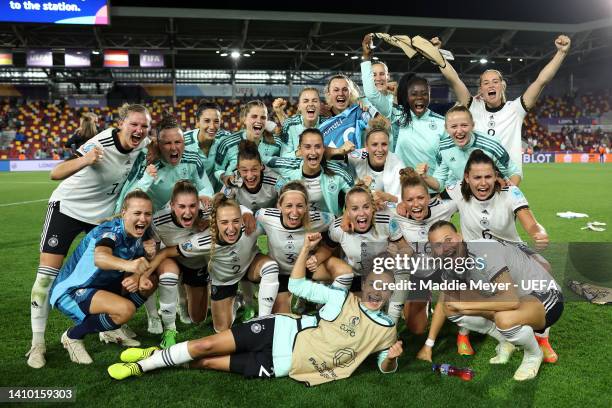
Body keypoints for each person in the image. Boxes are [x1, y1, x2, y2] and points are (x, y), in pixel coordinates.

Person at [107, 233, 403, 385]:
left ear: (389, 292)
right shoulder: (342, 297)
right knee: (207, 344)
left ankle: (156, 357)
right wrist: (304, 250)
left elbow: (385, 369)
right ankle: (140, 366)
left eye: (384, 287)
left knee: (208, 362)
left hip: (285, 366)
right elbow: (298, 285)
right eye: (374, 284)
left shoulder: (387, 331)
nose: (378, 291)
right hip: (280, 330)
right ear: (365, 285)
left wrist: (390, 359)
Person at [27, 103, 151, 369]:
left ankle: (109, 327)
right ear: (121, 124)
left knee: (110, 272)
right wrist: (86, 159)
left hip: (101, 216)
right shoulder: (101, 142)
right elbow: (55, 173)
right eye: (134, 124)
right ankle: (38, 343)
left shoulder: (144, 143)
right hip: (68, 209)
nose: (139, 130)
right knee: (46, 276)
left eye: (144, 126)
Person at [445, 149, 556, 361]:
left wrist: (538, 233)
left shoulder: (510, 192)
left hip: (512, 253)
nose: (483, 183)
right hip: (476, 260)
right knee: (455, 289)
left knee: (543, 267)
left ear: (496, 176)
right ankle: (466, 334)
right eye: (477, 177)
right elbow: (429, 202)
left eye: (488, 176)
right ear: (467, 178)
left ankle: (541, 336)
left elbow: (529, 221)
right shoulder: (457, 191)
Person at [417, 221, 563, 381]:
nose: (445, 247)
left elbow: (511, 300)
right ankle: (506, 341)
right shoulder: (449, 263)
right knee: (450, 305)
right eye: (438, 245)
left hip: (545, 296)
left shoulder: (484, 251)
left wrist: (469, 306)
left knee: (504, 319)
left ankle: (533, 355)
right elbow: (446, 303)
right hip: (514, 298)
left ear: (459, 236)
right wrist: (429, 344)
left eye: (448, 239)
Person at [49, 191, 157, 364]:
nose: (143, 219)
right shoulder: (110, 231)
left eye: (147, 214)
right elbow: (101, 258)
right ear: (124, 213)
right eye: (137, 213)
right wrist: (131, 266)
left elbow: (137, 263)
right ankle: (72, 336)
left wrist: (138, 275)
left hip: (102, 287)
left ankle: (110, 328)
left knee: (152, 280)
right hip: (71, 291)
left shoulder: (140, 232)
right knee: (125, 310)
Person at [434, 35, 571, 172]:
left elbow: (541, 81)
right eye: (486, 83)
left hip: (508, 182)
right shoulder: (472, 106)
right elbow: (454, 79)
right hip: (477, 181)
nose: (491, 86)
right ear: (481, 90)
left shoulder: (516, 109)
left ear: (502, 86)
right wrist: (437, 55)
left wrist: (561, 53)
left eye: (495, 82)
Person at [146, 193, 279, 333]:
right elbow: (166, 252)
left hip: (250, 268)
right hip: (223, 281)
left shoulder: (250, 226)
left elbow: (273, 220)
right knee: (216, 328)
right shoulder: (202, 241)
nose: (231, 228)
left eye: (235, 221)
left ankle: (264, 321)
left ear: (241, 219)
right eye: (224, 222)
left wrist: (247, 211)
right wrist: (145, 274)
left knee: (270, 267)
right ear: (215, 223)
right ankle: (236, 302)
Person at [387, 168, 457, 330]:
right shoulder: (393, 212)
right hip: (417, 276)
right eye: (410, 200)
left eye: (421, 198)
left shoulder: (444, 207)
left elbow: (467, 192)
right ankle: (418, 301)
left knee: (461, 302)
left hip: (443, 270)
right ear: (402, 202)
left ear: (428, 197)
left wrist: (500, 183)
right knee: (416, 328)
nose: (416, 204)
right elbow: (366, 203)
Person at [311, 183, 408, 295]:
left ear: (373, 207)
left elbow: (404, 247)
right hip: (353, 277)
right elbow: (328, 247)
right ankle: (322, 293)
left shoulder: (387, 221)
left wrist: (399, 254)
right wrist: (316, 259)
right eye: (355, 209)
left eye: (366, 207)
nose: (362, 213)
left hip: (381, 277)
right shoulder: (338, 228)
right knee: (356, 310)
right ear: (347, 212)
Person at [255, 181, 334, 312]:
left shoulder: (320, 219)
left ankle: (330, 296)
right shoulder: (265, 216)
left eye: (300, 206)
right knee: (282, 317)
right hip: (280, 273)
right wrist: (246, 213)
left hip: (307, 269)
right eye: (289, 206)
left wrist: (320, 255)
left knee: (340, 269)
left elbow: (338, 225)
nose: (294, 212)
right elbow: (248, 220)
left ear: (307, 206)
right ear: (279, 205)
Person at [148, 181, 210, 348]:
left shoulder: (208, 213)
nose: (188, 212)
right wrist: (145, 273)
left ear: (199, 204)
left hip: (195, 263)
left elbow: (234, 209)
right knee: (168, 275)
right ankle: (169, 329)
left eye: (192, 206)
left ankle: (186, 300)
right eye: (181, 206)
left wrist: (211, 222)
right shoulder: (158, 220)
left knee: (198, 318)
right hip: (170, 257)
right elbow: (154, 251)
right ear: (172, 205)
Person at [116, 111, 214, 212]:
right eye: (167, 143)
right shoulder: (148, 161)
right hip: (154, 220)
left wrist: (204, 195)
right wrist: (147, 178)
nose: (173, 148)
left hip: (184, 217)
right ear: (158, 145)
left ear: (184, 142)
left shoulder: (192, 159)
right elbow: (128, 198)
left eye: (178, 142)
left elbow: (206, 187)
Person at [417, 105, 522, 192]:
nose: (459, 131)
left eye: (464, 125)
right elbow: (439, 184)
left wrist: (509, 194)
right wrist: (425, 177)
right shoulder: (443, 148)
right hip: (466, 195)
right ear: (446, 129)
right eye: (454, 126)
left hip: (493, 193)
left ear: (472, 125)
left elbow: (514, 173)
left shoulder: (491, 145)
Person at [267, 128, 353, 216]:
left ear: (324, 149)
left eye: (318, 147)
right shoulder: (287, 166)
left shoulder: (338, 173)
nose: (313, 152)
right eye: (307, 147)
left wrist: (346, 216)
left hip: (327, 223)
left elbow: (356, 196)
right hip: (295, 222)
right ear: (299, 150)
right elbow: (261, 160)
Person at [214, 100, 282, 186]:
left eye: (263, 117)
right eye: (254, 116)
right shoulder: (228, 143)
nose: (259, 120)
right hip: (236, 193)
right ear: (244, 119)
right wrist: (225, 178)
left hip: (268, 195)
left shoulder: (277, 144)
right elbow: (217, 169)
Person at [346, 116, 405, 207]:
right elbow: (330, 161)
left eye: (384, 144)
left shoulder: (397, 164)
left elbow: (405, 199)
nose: (380, 149)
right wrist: (340, 151)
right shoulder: (358, 156)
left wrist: (388, 197)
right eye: (374, 144)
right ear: (366, 145)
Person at [222, 140, 286, 212]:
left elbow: (288, 199)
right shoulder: (232, 181)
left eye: (254, 169)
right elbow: (222, 207)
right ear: (238, 168)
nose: (250, 176)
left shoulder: (275, 180)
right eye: (244, 170)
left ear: (261, 166)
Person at [183, 101, 232, 191]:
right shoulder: (182, 142)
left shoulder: (225, 139)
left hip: (217, 196)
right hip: (190, 195)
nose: (212, 126)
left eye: (216, 121)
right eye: (207, 121)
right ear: (197, 122)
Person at [273, 88, 325, 157]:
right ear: (299, 107)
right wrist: (299, 152)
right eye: (306, 101)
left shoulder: (329, 124)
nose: (310, 104)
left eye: (315, 101)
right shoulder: (289, 124)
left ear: (320, 105)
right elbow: (284, 156)